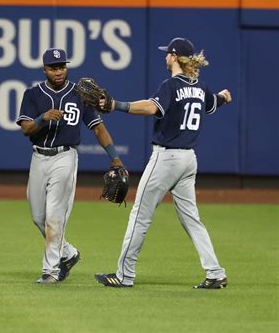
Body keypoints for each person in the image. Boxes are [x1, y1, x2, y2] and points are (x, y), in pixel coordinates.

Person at [94, 37, 232, 289]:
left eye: (167, 53)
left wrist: (116, 105)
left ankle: (124, 275)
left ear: (173, 57)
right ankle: (215, 273)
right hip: (189, 160)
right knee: (192, 219)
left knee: (140, 215)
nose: (165, 57)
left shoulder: (171, 85)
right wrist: (223, 96)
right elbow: (213, 103)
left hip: (166, 158)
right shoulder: (200, 85)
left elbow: (150, 108)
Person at [16, 48, 126, 284]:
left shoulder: (80, 94)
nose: (59, 71)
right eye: (53, 67)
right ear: (44, 69)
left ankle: (51, 270)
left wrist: (115, 158)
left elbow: (98, 127)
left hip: (65, 157)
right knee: (38, 216)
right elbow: (26, 129)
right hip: (38, 157)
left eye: (62, 66)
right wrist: (42, 118)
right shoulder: (33, 94)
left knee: (54, 214)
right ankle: (68, 253)